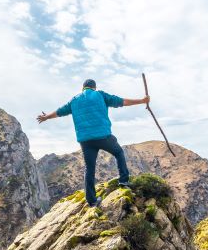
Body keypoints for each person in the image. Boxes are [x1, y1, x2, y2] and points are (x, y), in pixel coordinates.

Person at [37, 79, 150, 207]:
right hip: (103, 136)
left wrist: (46, 117)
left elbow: (59, 112)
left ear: (83, 88)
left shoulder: (74, 100)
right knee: (118, 152)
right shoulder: (100, 95)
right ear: (94, 88)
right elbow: (122, 101)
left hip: (85, 141)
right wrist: (142, 101)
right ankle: (123, 181)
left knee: (89, 168)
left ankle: (92, 201)